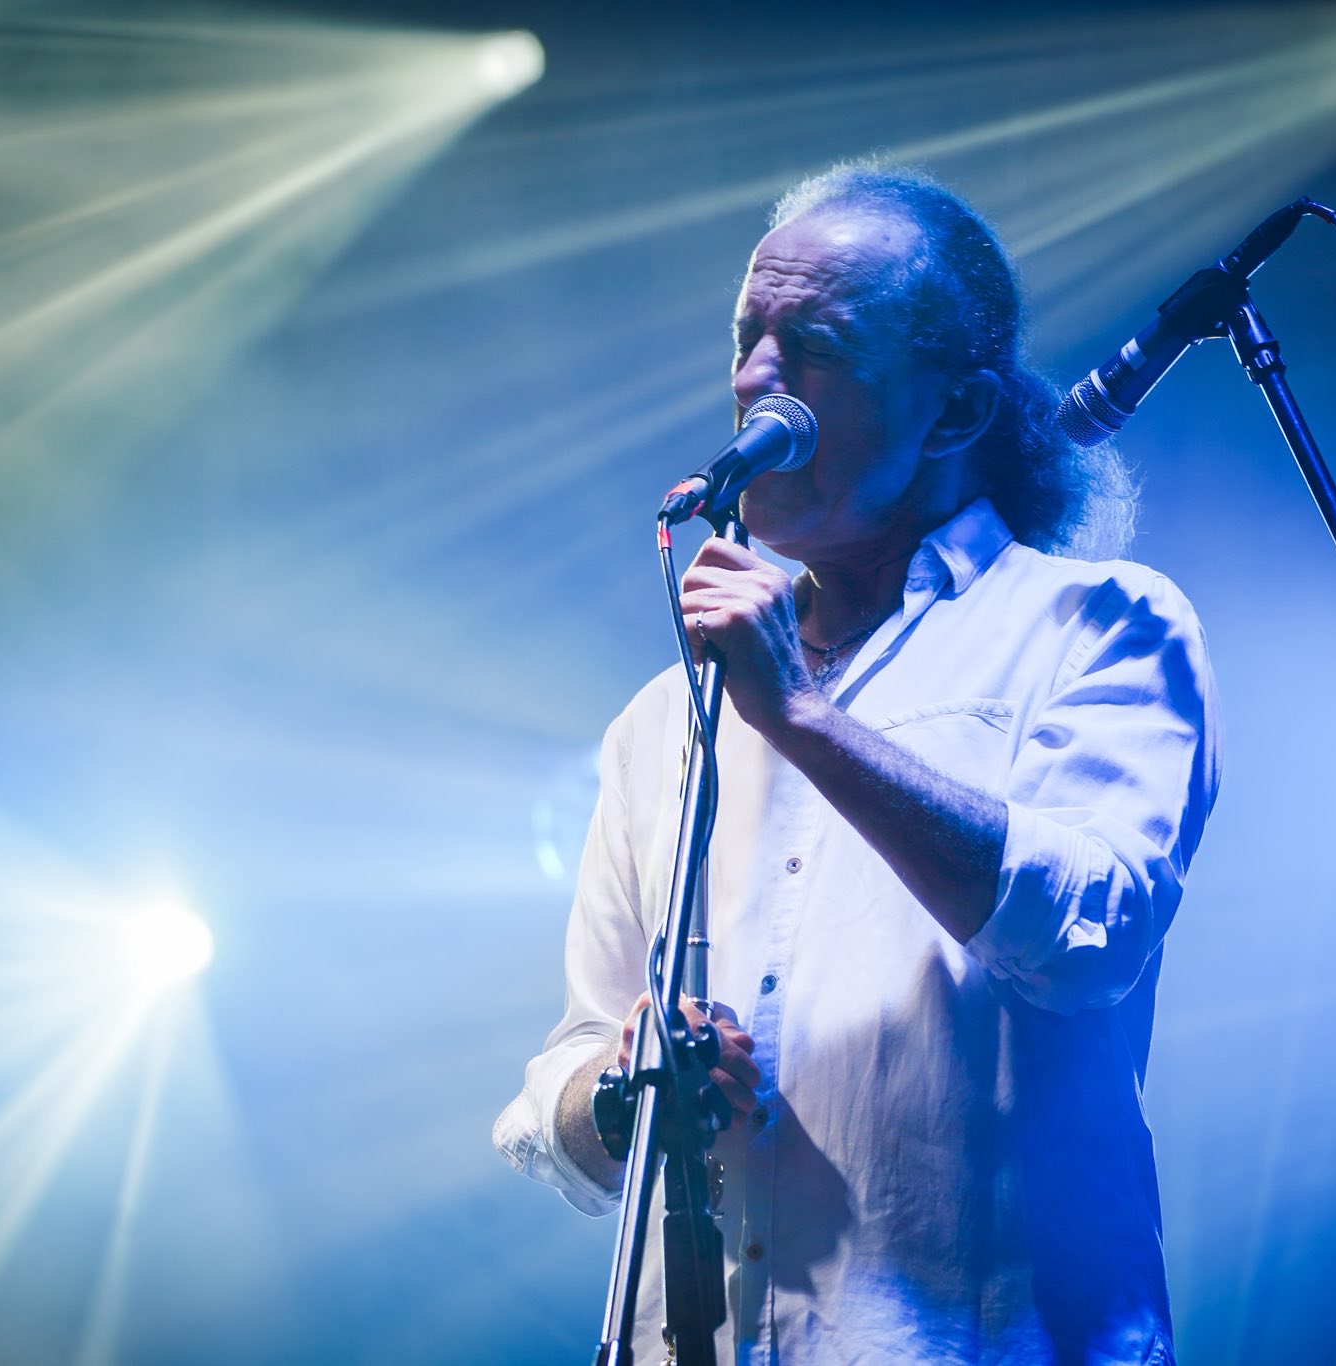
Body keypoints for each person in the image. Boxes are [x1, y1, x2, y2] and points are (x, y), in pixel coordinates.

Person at [495, 163, 1221, 1366]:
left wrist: (802, 718)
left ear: (955, 412)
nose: (754, 376)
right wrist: (625, 1092)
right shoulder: (659, 722)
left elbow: (1086, 938)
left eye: (815, 346)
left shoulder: (1097, 625)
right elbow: (563, 1085)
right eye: (746, 336)